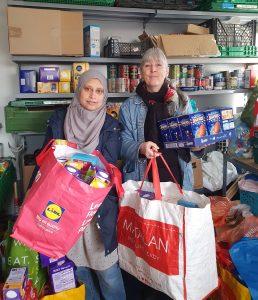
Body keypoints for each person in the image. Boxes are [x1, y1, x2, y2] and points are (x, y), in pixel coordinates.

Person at [29, 70, 126, 300]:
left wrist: (66, 159)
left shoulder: (110, 125)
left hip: (97, 212)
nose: (93, 96)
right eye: (88, 89)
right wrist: (30, 198)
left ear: (105, 96)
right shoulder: (60, 117)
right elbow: (46, 159)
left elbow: (105, 170)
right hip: (63, 208)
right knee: (77, 269)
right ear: (78, 89)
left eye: (99, 91)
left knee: (108, 272)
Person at [118, 47, 204, 300]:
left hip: (176, 174)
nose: (153, 70)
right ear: (141, 72)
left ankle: (172, 289)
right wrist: (140, 147)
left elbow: (194, 140)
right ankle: (146, 286)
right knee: (146, 235)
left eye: (158, 65)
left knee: (175, 234)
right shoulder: (129, 105)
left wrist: (198, 143)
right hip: (142, 176)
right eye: (147, 66)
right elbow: (121, 142)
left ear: (167, 70)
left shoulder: (183, 101)